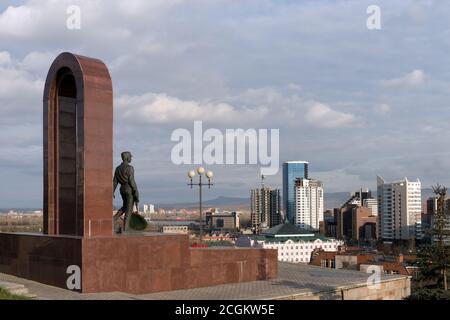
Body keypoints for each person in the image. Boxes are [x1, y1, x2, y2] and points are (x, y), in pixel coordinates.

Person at [113, 151, 139, 232]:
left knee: (124, 207)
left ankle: (113, 219)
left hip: (122, 190)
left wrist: (112, 191)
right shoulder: (130, 168)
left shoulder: (117, 169)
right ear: (127, 158)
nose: (131, 158)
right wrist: (136, 191)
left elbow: (114, 182)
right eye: (130, 157)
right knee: (129, 210)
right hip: (129, 190)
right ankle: (126, 229)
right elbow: (132, 181)